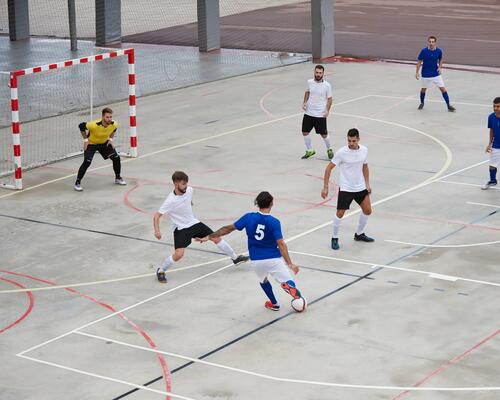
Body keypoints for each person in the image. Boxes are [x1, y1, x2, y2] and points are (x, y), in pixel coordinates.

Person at [197, 191, 304, 312]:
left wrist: (210, 236)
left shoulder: (248, 217)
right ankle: (297, 298)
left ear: (257, 203)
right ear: (271, 203)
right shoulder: (274, 222)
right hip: (273, 258)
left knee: (263, 280)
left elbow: (228, 229)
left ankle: (274, 304)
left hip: (256, 260)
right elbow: (281, 244)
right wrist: (290, 263)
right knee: (287, 280)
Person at [153, 171, 249, 283]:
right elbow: (156, 216)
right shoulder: (170, 200)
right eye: (183, 184)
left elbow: (188, 199)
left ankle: (235, 258)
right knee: (179, 254)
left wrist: (189, 203)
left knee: (215, 237)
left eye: (186, 184)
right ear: (175, 184)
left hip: (193, 223)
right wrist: (157, 231)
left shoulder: (189, 190)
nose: (186, 186)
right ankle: (161, 270)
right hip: (181, 228)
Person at [321, 128, 374, 250]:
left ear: (358, 139)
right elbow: (328, 168)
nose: (351, 143)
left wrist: (367, 184)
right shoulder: (341, 152)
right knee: (340, 213)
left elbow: (365, 166)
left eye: (353, 141)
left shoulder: (364, 150)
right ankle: (334, 238)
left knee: (367, 210)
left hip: (360, 187)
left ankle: (359, 234)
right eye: (349, 141)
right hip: (346, 188)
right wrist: (325, 187)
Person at [74, 107, 126, 191]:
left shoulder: (114, 124)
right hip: (91, 144)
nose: (109, 119)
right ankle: (77, 182)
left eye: (110, 117)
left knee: (116, 158)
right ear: (102, 117)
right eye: (107, 117)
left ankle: (118, 178)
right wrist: (86, 140)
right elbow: (81, 126)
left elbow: (114, 129)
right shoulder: (93, 124)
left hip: (104, 143)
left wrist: (110, 139)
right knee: (87, 161)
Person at [301, 65, 334, 160]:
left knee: (324, 134)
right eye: (317, 72)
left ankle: (329, 149)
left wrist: (327, 110)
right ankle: (310, 150)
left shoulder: (327, 85)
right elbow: (307, 92)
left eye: (320, 73)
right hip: (309, 112)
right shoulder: (310, 82)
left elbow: (330, 99)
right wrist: (304, 102)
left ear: (323, 73)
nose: (318, 74)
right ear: (314, 72)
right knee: (305, 131)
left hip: (320, 114)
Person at [415, 36, 456, 112]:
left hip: (436, 74)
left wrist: (440, 67)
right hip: (425, 74)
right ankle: (422, 102)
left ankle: (448, 105)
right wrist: (417, 72)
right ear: (428, 42)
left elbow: (441, 59)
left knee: (443, 89)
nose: (431, 43)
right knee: (423, 89)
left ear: (435, 42)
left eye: (432, 42)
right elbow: (419, 61)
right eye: (430, 42)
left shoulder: (439, 51)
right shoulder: (423, 51)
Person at [482, 97, 500, 189]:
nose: (495, 108)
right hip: (496, 145)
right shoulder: (491, 117)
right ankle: (493, 181)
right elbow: (491, 130)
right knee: (492, 165)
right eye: (494, 106)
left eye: (498, 106)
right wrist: (490, 143)